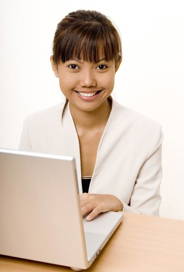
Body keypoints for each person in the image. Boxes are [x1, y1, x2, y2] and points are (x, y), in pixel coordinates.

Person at [19, 10, 163, 220]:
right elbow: (24, 207)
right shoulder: (35, 127)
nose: (88, 81)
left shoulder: (147, 133)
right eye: (74, 66)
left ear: (117, 65)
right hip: (52, 249)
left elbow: (150, 222)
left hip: (123, 248)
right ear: (55, 66)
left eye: (101, 66)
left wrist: (117, 205)